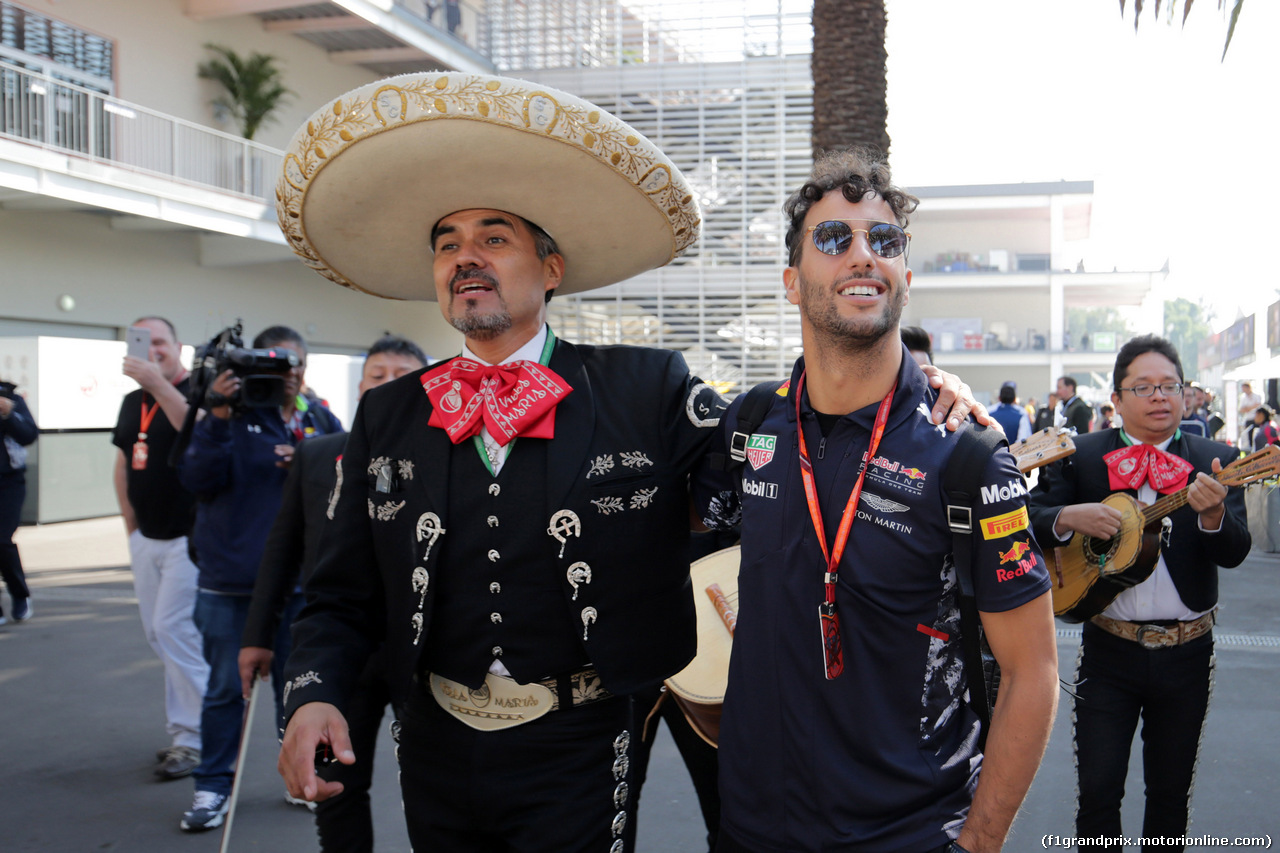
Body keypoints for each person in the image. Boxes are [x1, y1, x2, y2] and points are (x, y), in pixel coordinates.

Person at [270, 72, 987, 853]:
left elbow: (793, 443)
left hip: (580, 744)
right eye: (449, 244)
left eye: (493, 237)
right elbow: (337, 593)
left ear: (552, 269)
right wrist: (314, 693)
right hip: (433, 743)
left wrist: (911, 384)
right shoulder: (389, 413)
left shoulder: (647, 387)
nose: (466, 258)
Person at [691, 148, 1059, 853]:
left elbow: (1033, 670)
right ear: (793, 282)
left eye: (882, 240)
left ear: (906, 278)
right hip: (750, 829)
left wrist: (978, 843)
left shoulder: (967, 454)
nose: (863, 254)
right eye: (834, 238)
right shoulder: (747, 427)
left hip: (910, 834)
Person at [1029, 334, 1250, 852]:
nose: (1159, 397)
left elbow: (1236, 551)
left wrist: (1214, 515)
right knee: (1098, 796)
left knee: (1170, 799)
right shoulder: (1079, 455)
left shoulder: (1218, 459)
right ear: (1117, 399)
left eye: (1170, 385)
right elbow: (1027, 520)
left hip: (1188, 653)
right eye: (1144, 386)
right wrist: (1066, 517)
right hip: (1109, 651)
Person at [239, 335, 427, 853]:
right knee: (338, 786)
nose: (388, 384)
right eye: (378, 374)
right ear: (361, 385)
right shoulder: (318, 454)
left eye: (403, 375)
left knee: (434, 788)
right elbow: (281, 551)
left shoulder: (451, 462)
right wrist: (257, 635)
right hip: (341, 653)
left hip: (423, 656)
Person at [178, 325, 343, 832]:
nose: (286, 375)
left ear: (306, 367)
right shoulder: (234, 413)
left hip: (302, 587)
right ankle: (212, 787)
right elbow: (196, 480)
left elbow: (351, 480)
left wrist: (311, 465)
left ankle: (301, 779)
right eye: (275, 365)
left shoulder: (319, 420)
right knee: (226, 691)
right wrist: (219, 415)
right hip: (230, 585)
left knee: (299, 693)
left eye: (294, 364)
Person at [111, 317, 210, 780]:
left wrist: (157, 383)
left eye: (159, 343)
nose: (152, 351)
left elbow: (200, 433)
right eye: (141, 343)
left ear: (177, 347)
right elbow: (124, 462)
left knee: (174, 630)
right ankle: (190, 730)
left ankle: (197, 736)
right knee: (158, 633)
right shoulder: (133, 401)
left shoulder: (197, 391)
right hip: (145, 537)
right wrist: (130, 526)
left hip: (188, 539)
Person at [0, 379, 38, 626]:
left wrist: (8, 413)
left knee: (2, 540)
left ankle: (20, 594)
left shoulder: (9, 397)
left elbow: (28, 435)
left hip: (8, 482)